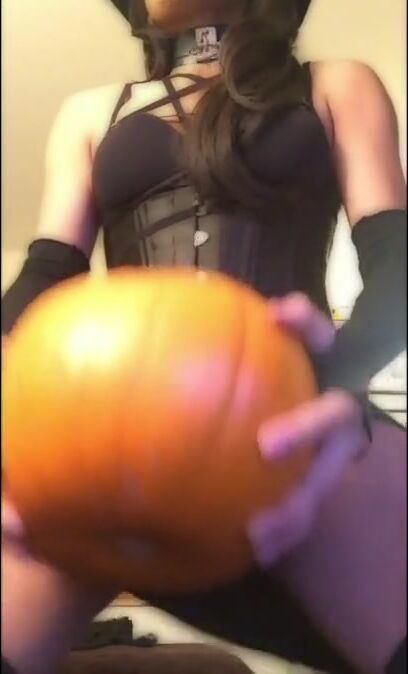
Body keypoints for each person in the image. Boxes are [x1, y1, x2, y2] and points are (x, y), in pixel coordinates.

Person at [2, 1, 406, 673]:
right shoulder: (90, 113)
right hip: (107, 428)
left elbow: (397, 259)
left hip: (299, 410)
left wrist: (340, 376)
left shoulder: (338, 83)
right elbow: (47, 271)